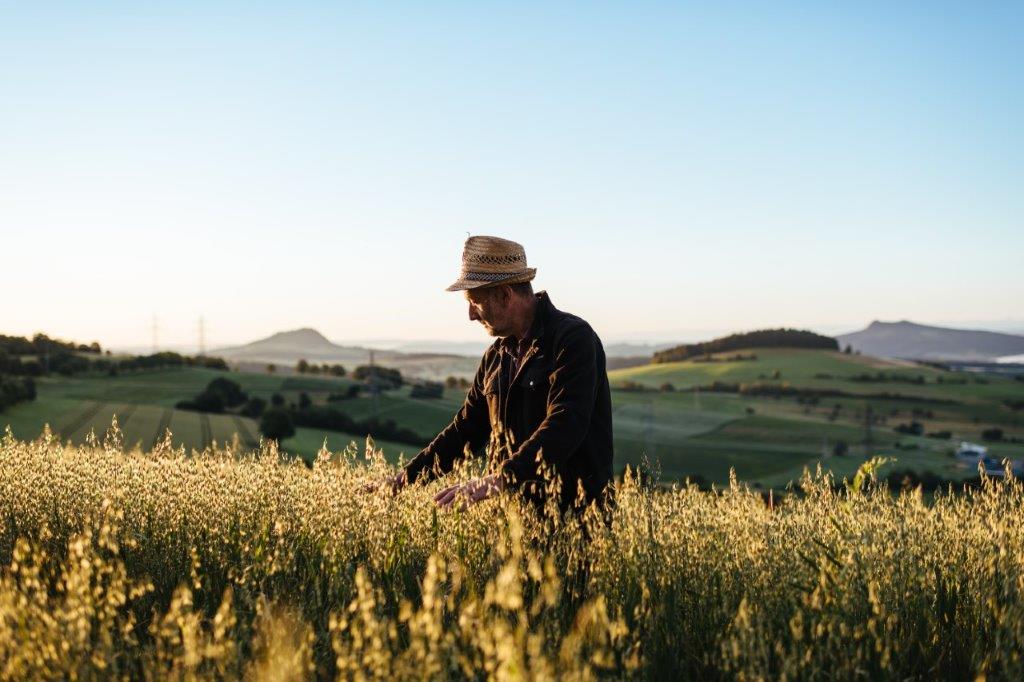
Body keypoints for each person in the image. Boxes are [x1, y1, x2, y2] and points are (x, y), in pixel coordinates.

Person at [373, 235, 614, 513]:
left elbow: (566, 422)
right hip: (509, 525)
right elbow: (465, 430)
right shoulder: (494, 357)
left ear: (505, 295)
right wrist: (402, 481)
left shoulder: (572, 339)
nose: (471, 315)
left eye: (475, 301)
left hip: (574, 521)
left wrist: (501, 479)